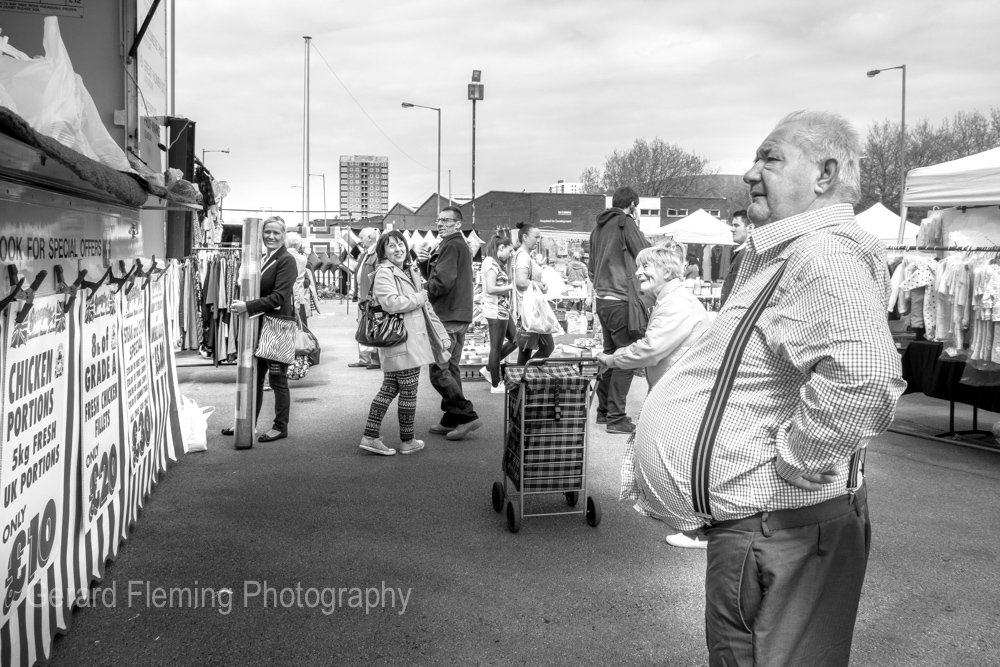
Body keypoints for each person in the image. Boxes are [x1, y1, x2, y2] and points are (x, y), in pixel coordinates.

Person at [625, 110, 906, 665]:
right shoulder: (793, 250)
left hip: (783, 530)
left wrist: (801, 454)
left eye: (770, 158)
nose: (751, 173)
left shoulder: (822, 251)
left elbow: (864, 373)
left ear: (824, 175)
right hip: (769, 530)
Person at [596, 244, 711, 548]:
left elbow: (651, 348)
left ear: (668, 270)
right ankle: (691, 524)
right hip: (677, 391)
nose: (638, 272)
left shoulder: (676, 304)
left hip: (681, 395)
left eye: (645, 266)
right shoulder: (670, 300)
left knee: (676, 459)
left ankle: (696, 529)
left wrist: (613, 358)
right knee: (675, 457)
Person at [359, 231, 432, 456]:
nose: (398, 249)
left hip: (403, 341)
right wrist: (420, 297)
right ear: (383, 251)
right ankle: (407, 441)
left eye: (401, 244)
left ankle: (370, 436)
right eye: (392, 246)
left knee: (390, 388)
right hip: (401, 340)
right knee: (408, 392)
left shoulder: (402, 270)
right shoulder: (384, 273)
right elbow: (391, 303)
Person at [228, 216, 298, 443]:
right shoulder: (262, 258)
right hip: (259, 325)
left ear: (284, 235)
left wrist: (247, 307)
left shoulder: (286, 260)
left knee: (278, 380)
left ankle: (280, 427)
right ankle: (248, 424)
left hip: (277, 326)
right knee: (255, 378)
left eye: (276, 233)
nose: (271, 236)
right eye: (267, 232)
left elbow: (279, 297)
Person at [588, 186, 650, 434]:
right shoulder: (626, 222)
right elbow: (645, 254)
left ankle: (604, 412)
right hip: (621, 298)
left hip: (602, 299)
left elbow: (591, 266)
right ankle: (616, 416)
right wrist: (637, 225)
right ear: (633, 204)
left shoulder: (597, 228)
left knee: (610, 354)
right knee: (625, 357)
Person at [416, 206, 481, 440]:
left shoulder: (451, 245)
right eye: (439, 220)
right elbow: (441, 276)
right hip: (458, 315)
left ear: (458, 224)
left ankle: (466, 416)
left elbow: (442, 282)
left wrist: (421, 292)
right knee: (451, 369)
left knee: (438, 371)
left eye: (446, 220)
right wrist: (425, 265)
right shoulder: (457, 245)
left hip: (448, 316)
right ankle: (452, 418)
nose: (440, 224)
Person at [479, 233, 517, 394]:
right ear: (500, 248)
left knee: (517, 339)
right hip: (495, 310)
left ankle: (489, 368)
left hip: (502, 310)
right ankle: (496, 383)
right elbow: (491, 288)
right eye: (509, 251)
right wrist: (510, 287)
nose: (510, 254)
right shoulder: (490, 263)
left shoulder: (496, 263)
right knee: (496, 347)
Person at [512, 222, 555, 365]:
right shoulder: (523, 256)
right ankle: (525, 376)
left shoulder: (524, 255)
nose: (538, 241)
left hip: (529, 310)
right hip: (531, 311)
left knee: (526, 349)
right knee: (547, 347)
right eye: (536, 237)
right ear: (525, 237)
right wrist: (539, 285)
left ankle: (520, 383)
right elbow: (521, 282)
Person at [349, 228, 381, 370]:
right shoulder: (365, 254)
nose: (360, 241)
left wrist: (375, 297)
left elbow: (378, 277)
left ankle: (375, 360)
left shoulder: (377, 254)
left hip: (371, 298)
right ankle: (364, 358)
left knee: (374, 327)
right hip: (363, 297)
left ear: (369, 238)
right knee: (362, 327)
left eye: (362, 238)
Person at [719, 209, 751, 307]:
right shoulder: (741, 253)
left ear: (750, 228)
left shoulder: (747, 255)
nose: (731, 229)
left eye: (736, 225)